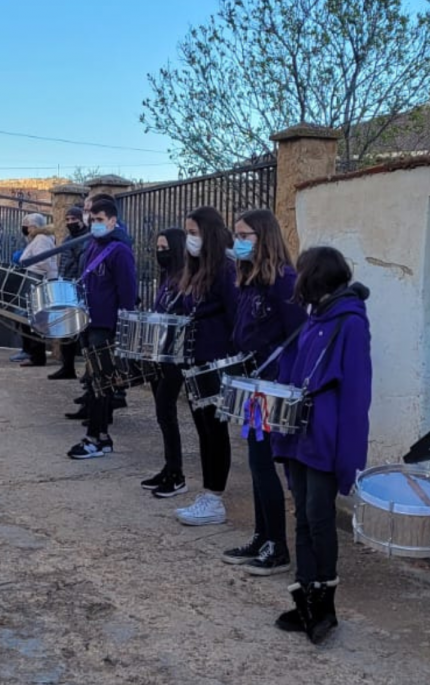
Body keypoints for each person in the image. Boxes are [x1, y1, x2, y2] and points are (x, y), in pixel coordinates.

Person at [271, 246, 371, 645]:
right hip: (301, 430)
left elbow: (356, 391)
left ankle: (324, 602)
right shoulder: (315, 317)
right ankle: (303, 597)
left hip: (324, 434)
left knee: (319, 513)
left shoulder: (350, 322)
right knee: (302, 515)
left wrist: (349, 452)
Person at [218, 209, 305, 575]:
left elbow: (299, 334)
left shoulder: (284, 281)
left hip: (272, 385)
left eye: (244, 235)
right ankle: (261, 535)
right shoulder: (251, 279)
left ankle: (277, 546)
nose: (237, 242)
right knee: (254, 462)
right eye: (235, 235)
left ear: (264, 237)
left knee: (263, 464)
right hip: (252, 382)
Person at [171, 206, 239, 526]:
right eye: (187, 233)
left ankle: (215, 498)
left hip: (215, 361)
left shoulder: (226, 270)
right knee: (202, 428)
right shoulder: (197, 270)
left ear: (209, 234)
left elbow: (235, 318)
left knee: (215, 429)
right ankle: (208, 492)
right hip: (195, 360)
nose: (189, 239)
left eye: (194, 233)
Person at [67, 198, 136, 459]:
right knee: (96, 381)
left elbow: (128, 292)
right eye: (91, 219)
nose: (94, 224)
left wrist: (121, 327)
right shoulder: (93, 245)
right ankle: (102, 437)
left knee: (101, 383)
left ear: (112, 221)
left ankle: (95, 438)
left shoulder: (120, 250)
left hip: (105, 326)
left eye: (99, 220)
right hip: (89, 320)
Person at [141, 227, 191, 497]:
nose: (161, 253)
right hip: (158, 353)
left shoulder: (186, 279)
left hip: (174, 355)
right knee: (163, 414)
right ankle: (170, 468)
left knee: (166, 410)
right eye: (158, 249)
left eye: (165, 249)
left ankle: (177, 474)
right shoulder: (166, 278)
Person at [50, 206, 89, 380]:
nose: (70, 223)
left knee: (84, 331)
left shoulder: (87, 239)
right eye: (67, 220)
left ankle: (90, 370)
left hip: (79, 286)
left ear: (81, 219)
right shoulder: (67, 240)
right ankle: (67, 367)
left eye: (74, 219)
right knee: (66, 328)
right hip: (65, 285)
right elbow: (63, 263)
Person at [18, 213, 57, 368]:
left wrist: (29, 268)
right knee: (33, 319)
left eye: (27, 225)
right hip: (38, 282)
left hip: (39, 283)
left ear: (33, 226)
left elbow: (43, 262)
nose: (25, 228)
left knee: (36, 320)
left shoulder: (41, 239)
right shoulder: (40, 239)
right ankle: (33, 354)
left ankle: (37, 356)